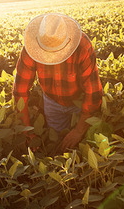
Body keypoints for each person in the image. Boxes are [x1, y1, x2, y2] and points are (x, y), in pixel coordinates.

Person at [13, 13, 103, 153]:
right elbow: (20, 91)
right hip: (52, 101)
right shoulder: (31, 48)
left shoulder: (82, 46)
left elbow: (93, 94)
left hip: (80, 101)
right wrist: (27, 131)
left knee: (82, 145)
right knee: (59, 144)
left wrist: (79, 130)